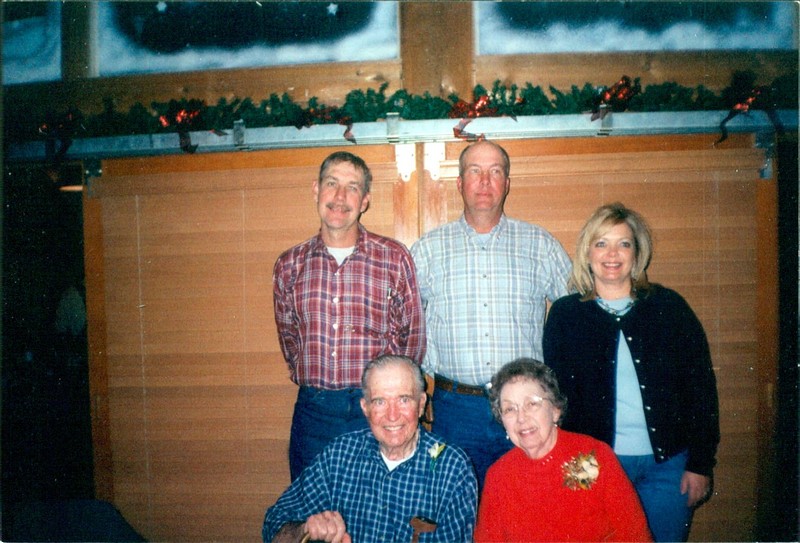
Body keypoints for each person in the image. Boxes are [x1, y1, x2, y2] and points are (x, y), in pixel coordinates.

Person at [542, 202, 720, 542]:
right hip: (592, 464)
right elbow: (556, 399)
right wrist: (570, 468)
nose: (612, 254)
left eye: (623, 243)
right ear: (587, 252)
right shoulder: (566, 315)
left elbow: (700, 390)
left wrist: (700, 464)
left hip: (667, 468)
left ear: (637, 254)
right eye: (601, 243)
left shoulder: (669, 307)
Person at [410, 139, 571, 486]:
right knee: (457, 505)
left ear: (507, 183)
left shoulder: (540, 245)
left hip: (526, 408)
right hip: (455, 409)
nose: (485, 181)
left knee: (528, 503)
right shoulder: (427, 250)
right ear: (459, 183)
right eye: (475, 171)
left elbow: (576, 318)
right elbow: (407, 326)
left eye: (495, 172)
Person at [273, 151, 426, 480]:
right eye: (332, 184)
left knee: (379, 505)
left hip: (376, 412)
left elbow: (412, 340)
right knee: (313, 507)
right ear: (316, 190)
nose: (340, 197)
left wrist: (389, 399)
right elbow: (289, 339)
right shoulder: (289, 265)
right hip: (313, 412)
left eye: (352, 187)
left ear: (365, 200)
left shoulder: (394, 258)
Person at [262, 355, 478, 543]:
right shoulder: (339, 455)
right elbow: (274, 524)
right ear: (365, 408)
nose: (392, 415)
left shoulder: (452, 468)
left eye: (403, 400)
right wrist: (305, 529)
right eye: (380, 402)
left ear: (421, 404)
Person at [475, 358, 652, 542]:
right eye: (510, 409)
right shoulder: (498, 476)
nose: (521, 418)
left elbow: (635, 535)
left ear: (555, 410)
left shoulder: (593, 455)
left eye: (532, 404)